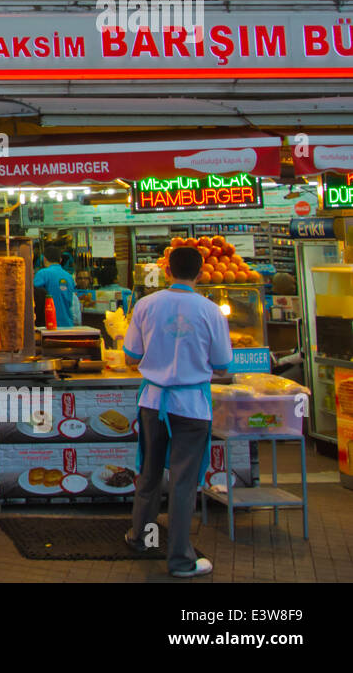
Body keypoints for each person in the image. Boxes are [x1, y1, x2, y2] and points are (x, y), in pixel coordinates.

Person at [122, 245, 232, 578]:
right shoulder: (211, 311)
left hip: (154, 403)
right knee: (184, 484)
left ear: (167, 271)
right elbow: (224, 366)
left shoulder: (146, 304)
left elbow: (130, 355)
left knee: (150, 472)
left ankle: (139, 537)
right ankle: (181, 561)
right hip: (192, 407)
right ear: (200, 273)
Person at [33, 246, 77, 328]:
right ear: (60, 260)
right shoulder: (69, 277)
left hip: (50, 325)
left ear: (44, 259)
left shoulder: (42, 274)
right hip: (68, 325)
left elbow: (33, 294)